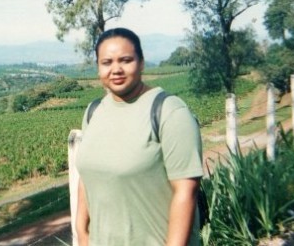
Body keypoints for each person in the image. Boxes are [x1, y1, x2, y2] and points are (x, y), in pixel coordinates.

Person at [75, 28, 203, 246]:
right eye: (107, 62)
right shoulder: (93, 112)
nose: (116, 69)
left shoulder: (169, 111)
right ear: (98, 68)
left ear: (142, 63)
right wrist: (81, 229)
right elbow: (87, 175)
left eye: (126, 60)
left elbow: (186, 191)